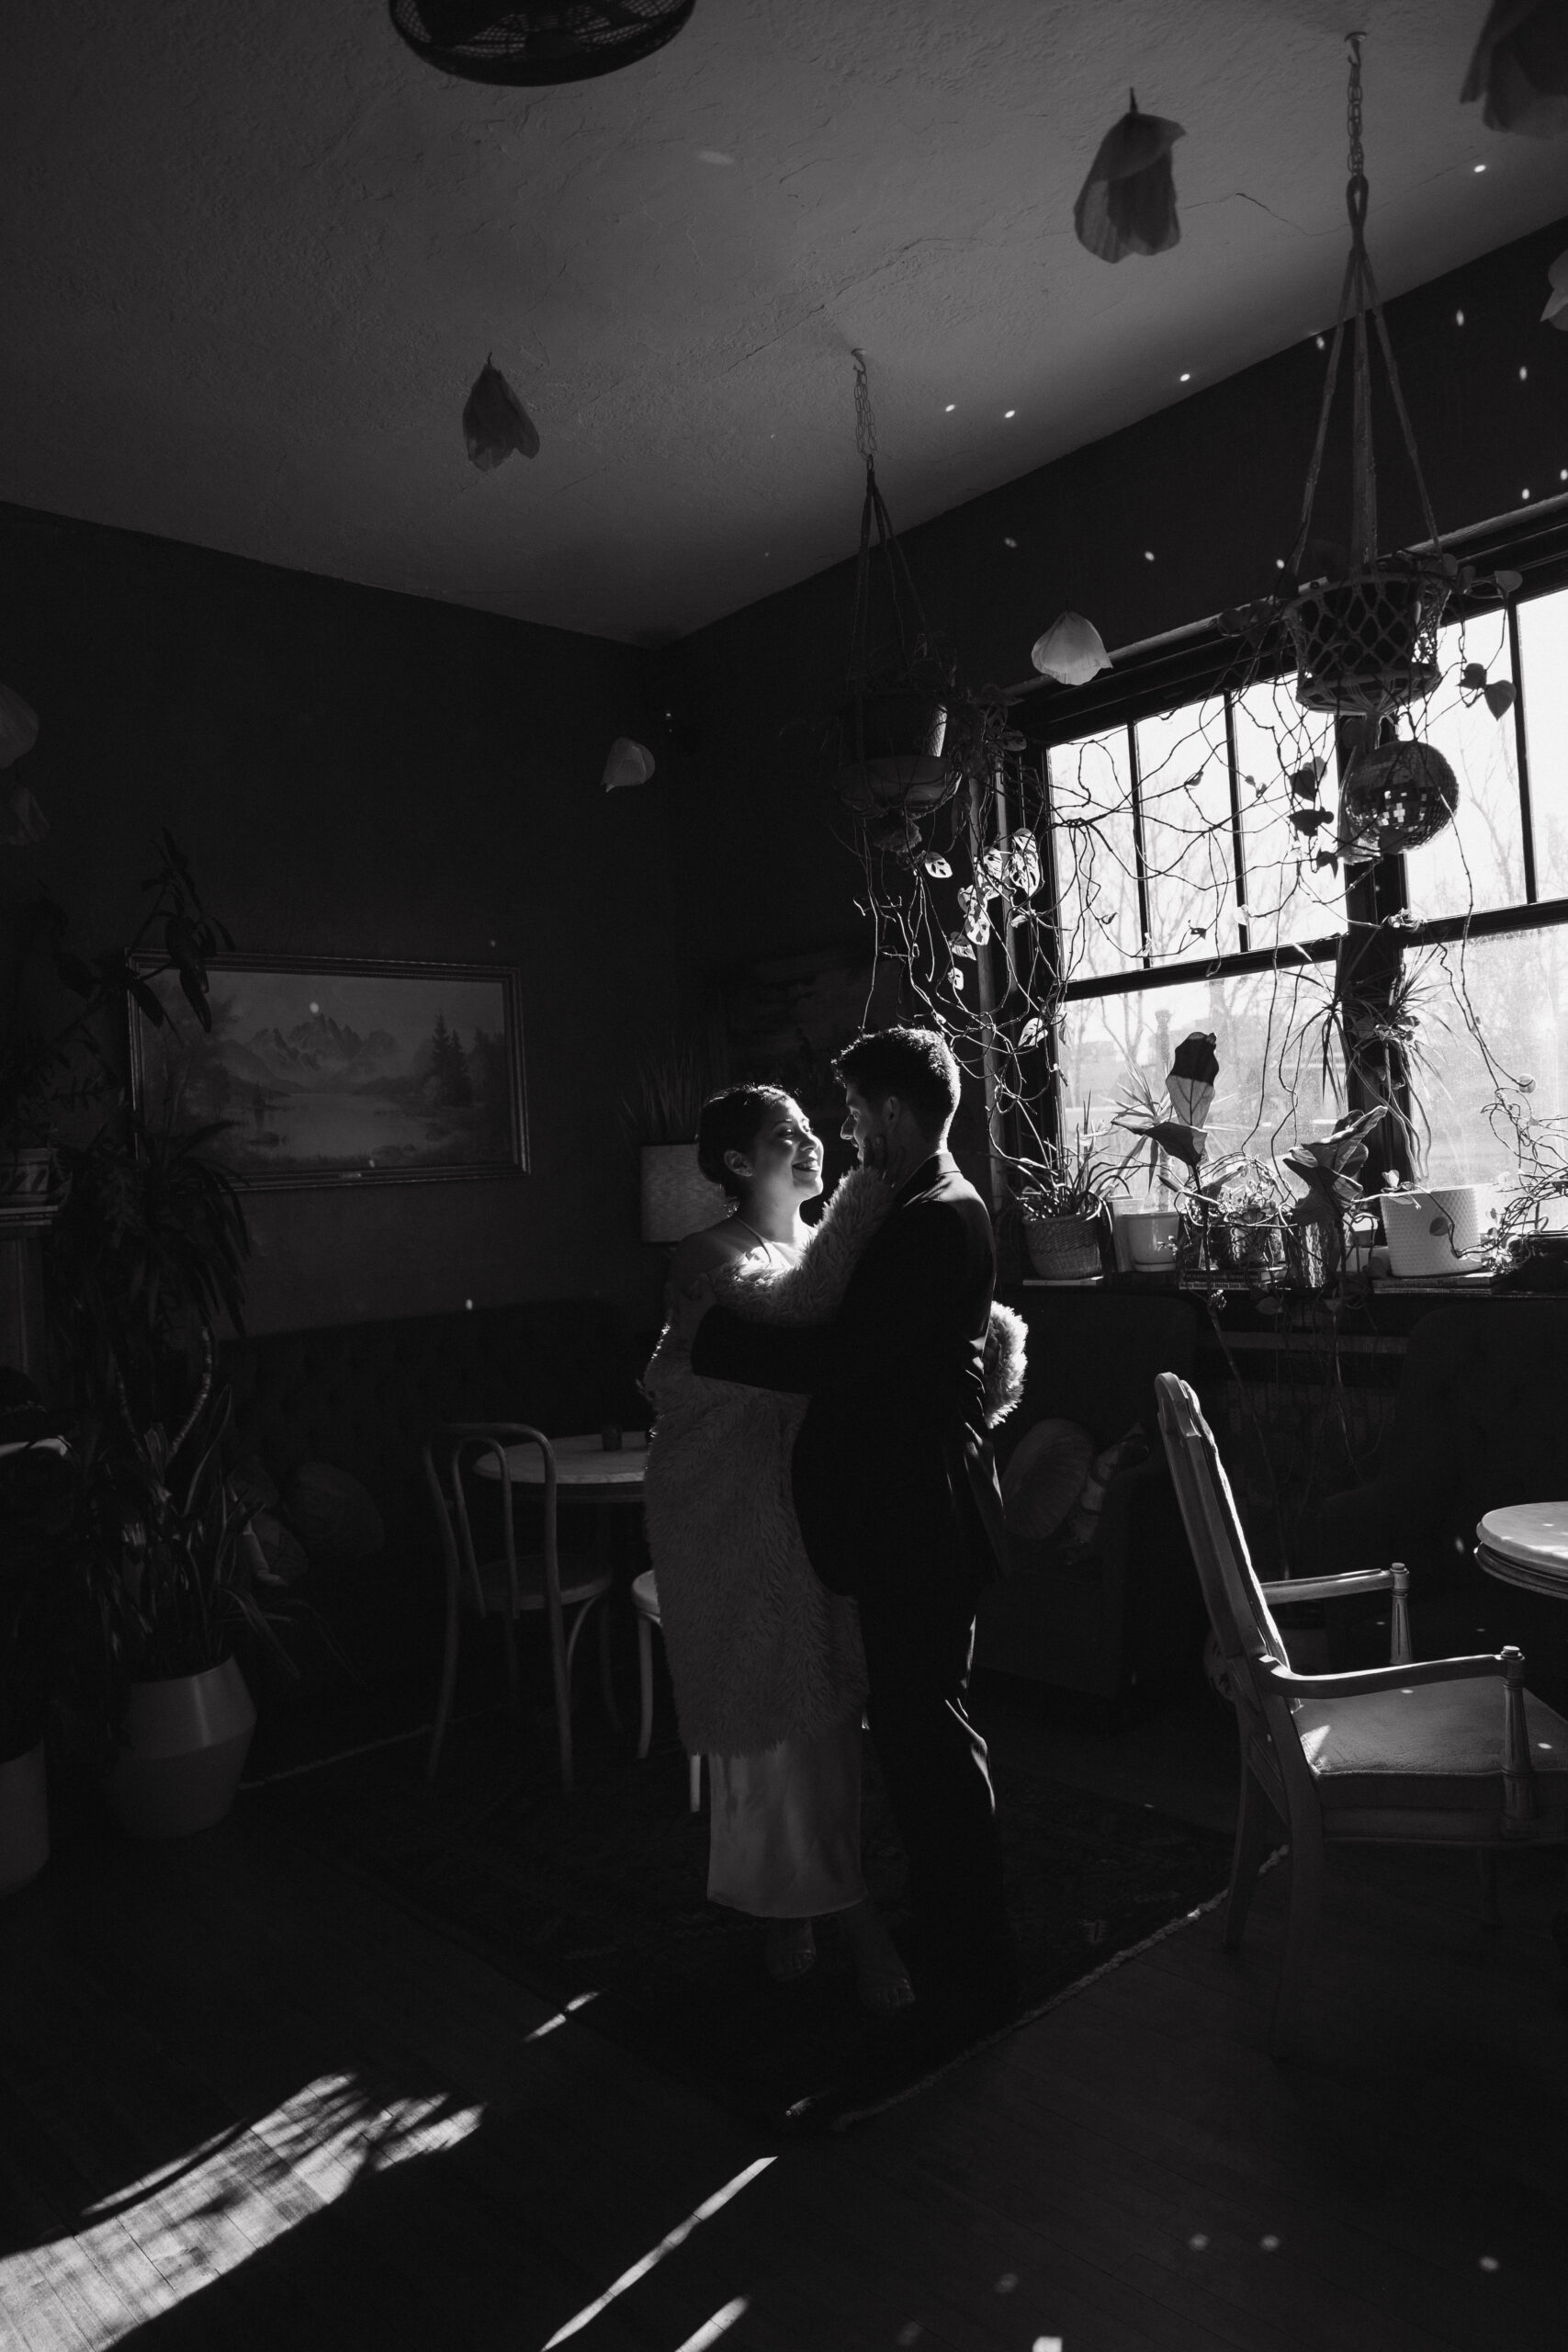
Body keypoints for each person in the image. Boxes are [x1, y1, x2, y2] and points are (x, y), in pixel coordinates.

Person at [684, 1028, 1018, 2025]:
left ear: (896, 1114)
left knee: (929, 1738)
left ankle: (970, 1943)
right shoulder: (915, 1205)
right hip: (911, 1515)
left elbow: (848, 1358)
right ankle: (956, 1923)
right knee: (920, 1735)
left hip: (922, 1517)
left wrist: (711, 1341)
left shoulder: (928, 1218)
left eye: (856, 1113)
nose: (846, 1131)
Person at [642, 1083, 914, 2010]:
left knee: (827, 1718)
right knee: (781, 1722)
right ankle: (853, 1921)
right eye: (782, 1135)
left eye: (808, 1128)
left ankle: (788, 1906)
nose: (809, 1143)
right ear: (732, 1162)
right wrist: (873, 1194)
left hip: (807, 1509)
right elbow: (794, 1321)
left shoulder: (806, 1245)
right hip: (731, 1519)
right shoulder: (707, 1253)